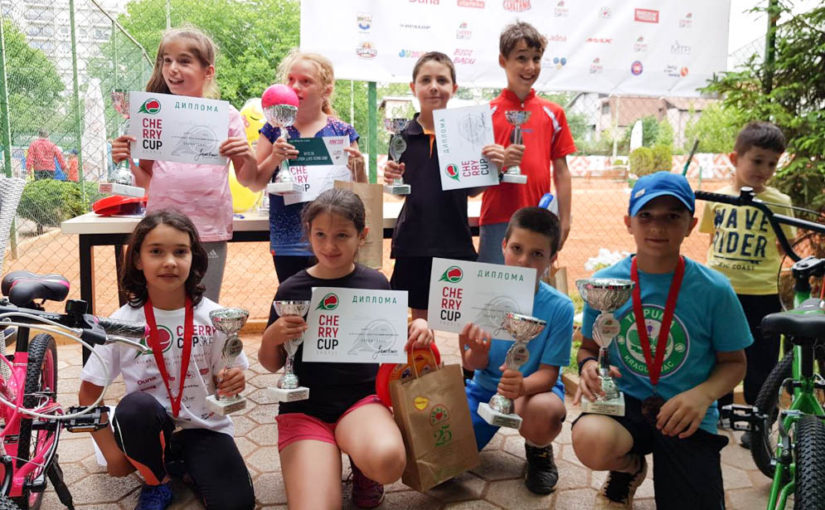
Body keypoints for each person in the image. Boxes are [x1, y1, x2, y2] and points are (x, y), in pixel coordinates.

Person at [572, 172, 752, 509]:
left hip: (686, 412)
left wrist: (703, 396)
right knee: (590, 439)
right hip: (625, 404)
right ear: (629, 223)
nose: (657, 227)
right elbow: (588, 349)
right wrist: (590, 366)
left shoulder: (714, 289)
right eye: (646, 216)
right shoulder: (604, 284)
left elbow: (735, 362)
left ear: (691, 223)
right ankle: (628, 469)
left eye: (672, 216)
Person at [259, 189, 432, 509]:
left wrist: (417, 330)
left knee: (388, 461)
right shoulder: (292, 289)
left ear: (362, 235)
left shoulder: (377, 283)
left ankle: (363, 465)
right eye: (320, 234)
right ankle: (322, 456)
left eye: (342, 235)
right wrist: (272, 337)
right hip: (304, 409)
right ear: (308, 233)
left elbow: (390, 345)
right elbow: (271, 364)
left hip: (361, 403)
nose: (329, 245)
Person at [78, 210, 254, 510]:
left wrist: (233, 382)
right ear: (137, 259)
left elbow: (228, 381)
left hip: (204, 428)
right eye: (156, 252)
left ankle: (186, 467)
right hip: (149, 428)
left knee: (237, 504)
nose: (170, 262)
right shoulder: (122, 324)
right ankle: (155, 481)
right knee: (134, 409)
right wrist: (111, 454)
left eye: (180, 251)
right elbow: (88, 395)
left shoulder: (214, 317)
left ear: (193, 258)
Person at [111, 26, 258, 303]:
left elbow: (248, 180)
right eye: (167, 60)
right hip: (160, 229)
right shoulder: (153, 114)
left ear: (208, 71)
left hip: (208, 230)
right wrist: (126, 161)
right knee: (160, 308)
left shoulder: (227, 116)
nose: (172, 68)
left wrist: (247, 155)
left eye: (184, 61)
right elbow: (147, 181)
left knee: (204, 308)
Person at [383, 51, 512, 321]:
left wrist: (495, 168)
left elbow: (472, 190)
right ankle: (425, 364)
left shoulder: (466, 133)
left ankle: (465, 365)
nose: (433, 86)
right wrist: (391, 177)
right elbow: (398, 189)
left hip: (455, 241)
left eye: (442, 80)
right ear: (413, 87)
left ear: (453, 88)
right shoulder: (401, 135)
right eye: (426, 79)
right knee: (420, 320)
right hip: (414, 242)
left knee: (462, 320)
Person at [249, 50, 367, 325]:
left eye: (305, 81)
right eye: (290, 79)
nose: (294, 87)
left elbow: (359, 194)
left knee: (332, 313)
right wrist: (275, 157)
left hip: (333, 240)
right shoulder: (273, 128)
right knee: (296, 316)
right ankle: (295, 365)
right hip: (290, 240)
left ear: (326, 90)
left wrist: (359, 169)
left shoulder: (342, 131)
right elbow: (255, 181)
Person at [460, 206, 573, 494]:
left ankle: (538, 450)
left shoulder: (560, 307)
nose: (523, 261)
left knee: (543, 412)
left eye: (537, 254)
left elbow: (549, 375)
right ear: (503, 245)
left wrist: (521, 385)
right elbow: (472, 364)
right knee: (443, 454)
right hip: (485, 389)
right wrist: (475, 350)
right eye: (517, 248)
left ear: (552, 258)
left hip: (533, 393)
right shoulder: (480, 293)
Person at [698, 121, 794, 448]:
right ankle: (719, 413)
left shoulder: (780, 202)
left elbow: (785, 248)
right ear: (734, 157)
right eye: (757, 160)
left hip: (763, 294)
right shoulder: (716, 198)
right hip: (722, 293)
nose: (764, 170)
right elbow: (713, 239)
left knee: (761, 361)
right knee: (717, 353)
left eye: (772, 163)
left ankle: (759, 422)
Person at [478, 21, 577, 264]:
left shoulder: (553, 113)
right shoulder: (485, 115)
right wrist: (499, 165)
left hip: (539, 220)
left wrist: (564, 219)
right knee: (493, 296)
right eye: (521, 58)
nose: (530, 67)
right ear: (503, 61)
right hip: (496, 219)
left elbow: (562, 171)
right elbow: (476, 175)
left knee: (534, 294)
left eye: (536, 58)